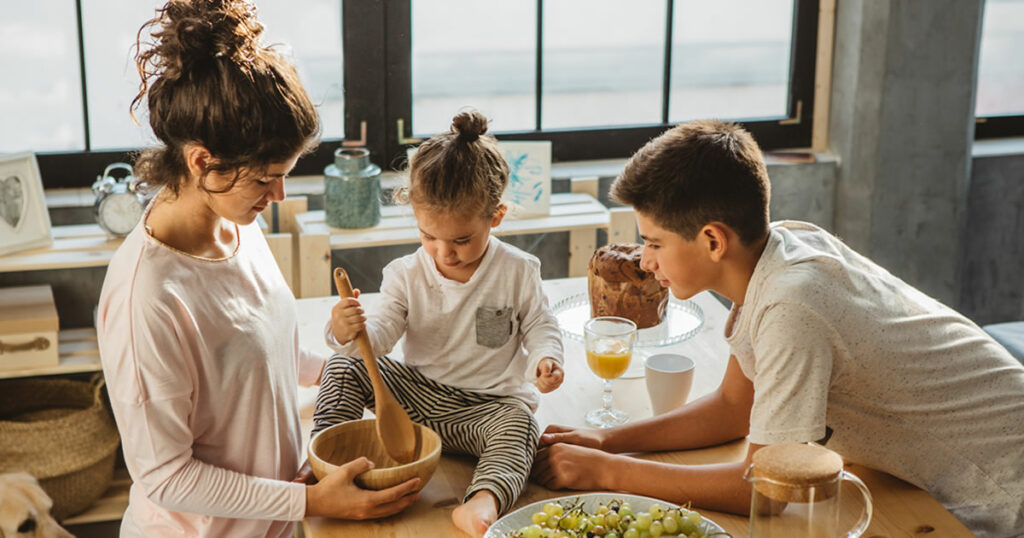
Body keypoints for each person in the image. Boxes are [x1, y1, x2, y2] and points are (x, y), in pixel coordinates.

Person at [531, 120, 1024, 538]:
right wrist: (605, 440)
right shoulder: (780, 250)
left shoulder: (792, 305)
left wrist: (607, 473)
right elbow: (734, 407)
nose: (644, 258)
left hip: (1002, 498)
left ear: (712, 240)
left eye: (654, 242)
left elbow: (764, 490)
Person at [95, 1, 420, 536]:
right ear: (202, 162)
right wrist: (309, 503)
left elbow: (270, 354)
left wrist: (364, 376)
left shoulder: (240, 221)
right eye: (267, 178)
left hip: (278, 519)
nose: (280, 194)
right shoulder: (147, 299)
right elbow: (166, 477)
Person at [314, 110, 566, 537]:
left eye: (461, 240)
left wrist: (546, 358)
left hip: (488, 410)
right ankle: (325, 467)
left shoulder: (518, 270)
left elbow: (540, 323)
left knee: (523, 426)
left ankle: (481, 501)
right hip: (415, 403)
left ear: (496, 216)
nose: (443, 253)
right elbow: (381, 337)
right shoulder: (404, 273)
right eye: (428, 236)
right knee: (342, 365)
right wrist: (347, 330)